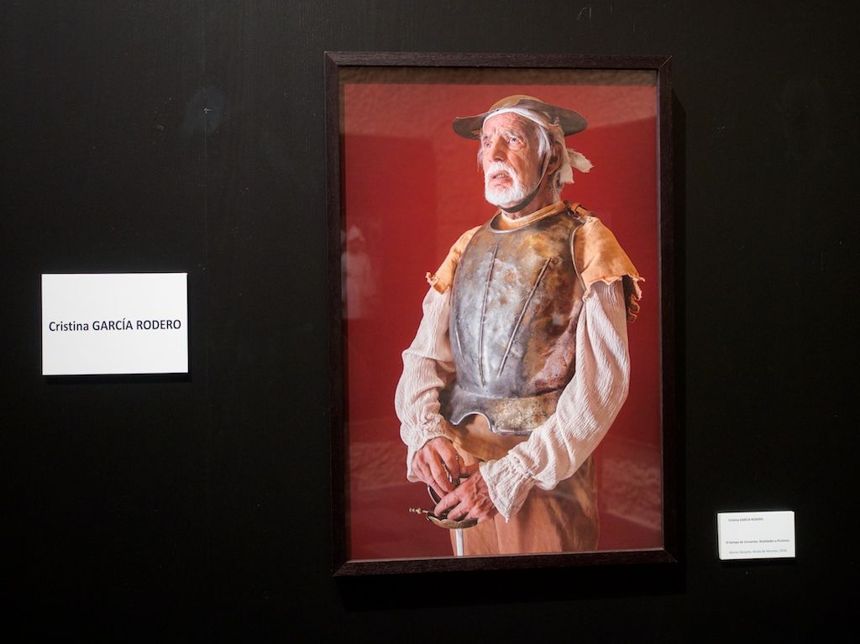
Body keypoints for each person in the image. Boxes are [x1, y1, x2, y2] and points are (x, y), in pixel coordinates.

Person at [395, 95, 641, 555]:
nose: (494, 155)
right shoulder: (467, 245)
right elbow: (425, 355)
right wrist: (425, 432)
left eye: (512, 140)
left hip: (545, 478)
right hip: (462, 473)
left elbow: (602, 386)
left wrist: (513, 474)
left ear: (551, 155)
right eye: (487, 142)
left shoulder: (587, 242)